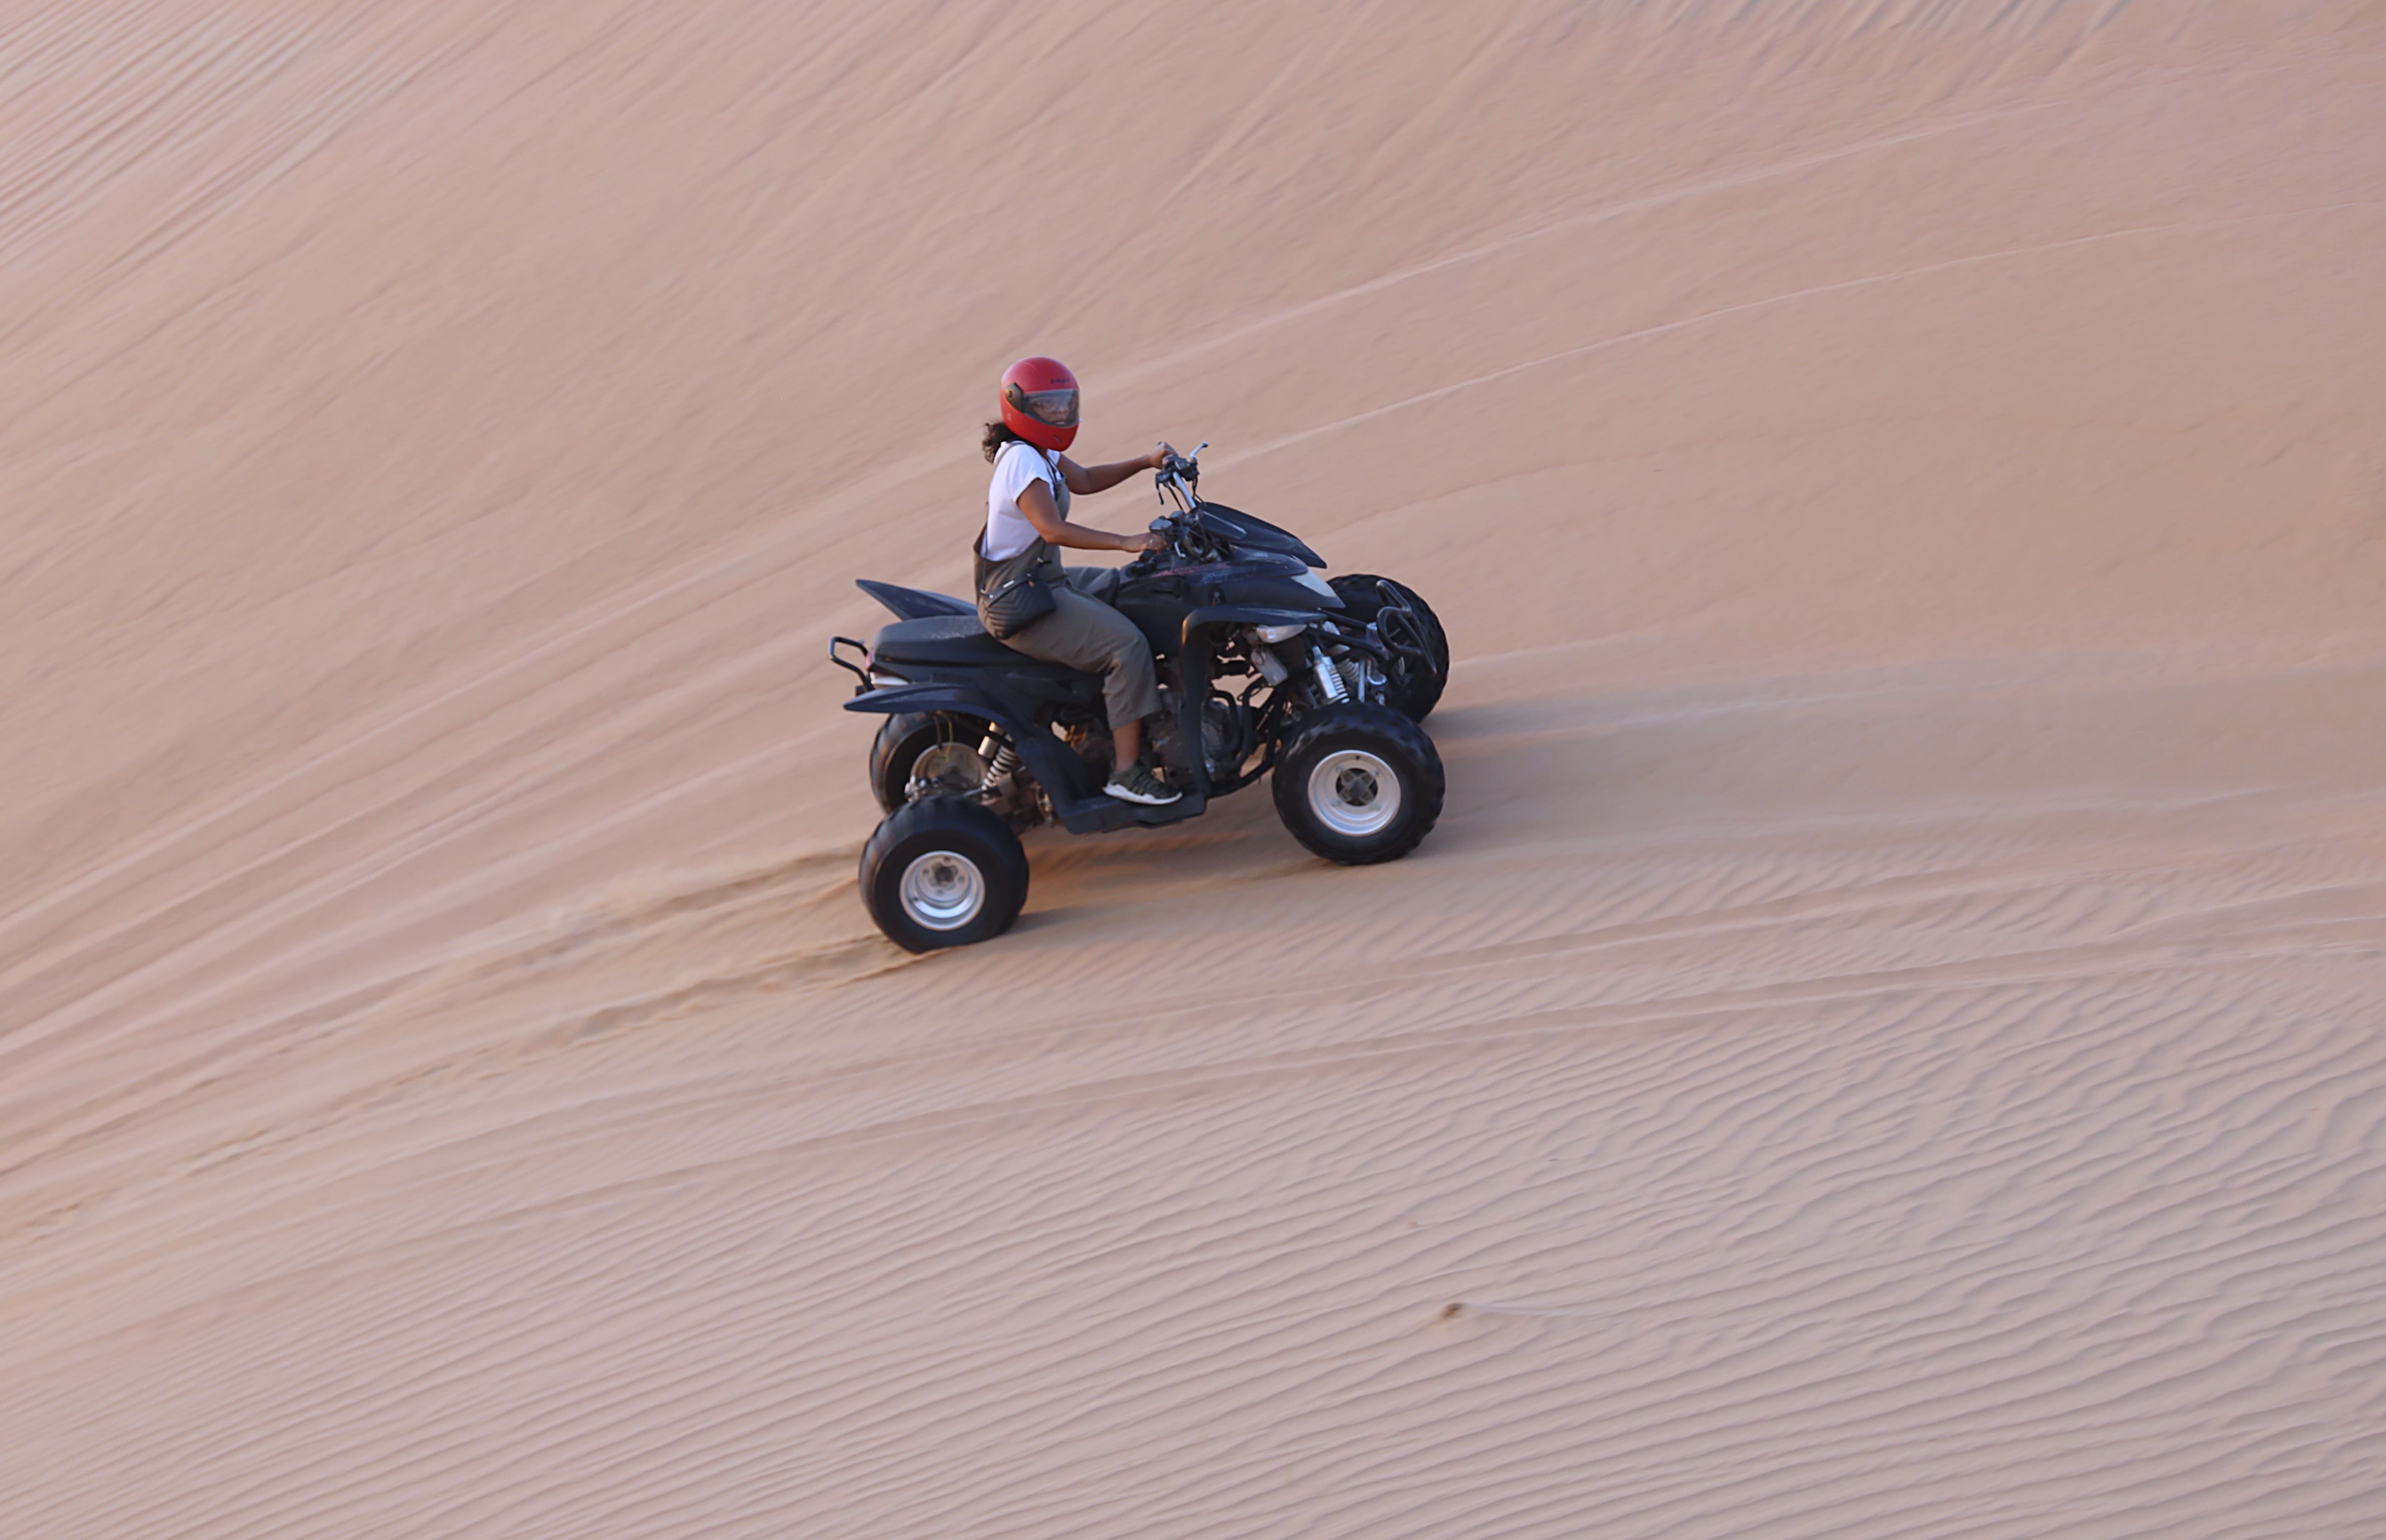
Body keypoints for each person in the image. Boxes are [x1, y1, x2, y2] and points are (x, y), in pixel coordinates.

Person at [977, 355, 1181, 805]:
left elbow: (1085, 479)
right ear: (1021, 408)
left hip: (1043, 577)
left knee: (1129, 588)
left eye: (1064, 404)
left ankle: (1109, 718)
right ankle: (1126, 773)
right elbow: (1053, 530)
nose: (1060, 413)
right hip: (1018, 598)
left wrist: (1147, 461)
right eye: (1048, 406)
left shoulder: (1040, 450)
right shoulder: (1021, 462)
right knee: (1126, 647)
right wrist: (1126, 540)